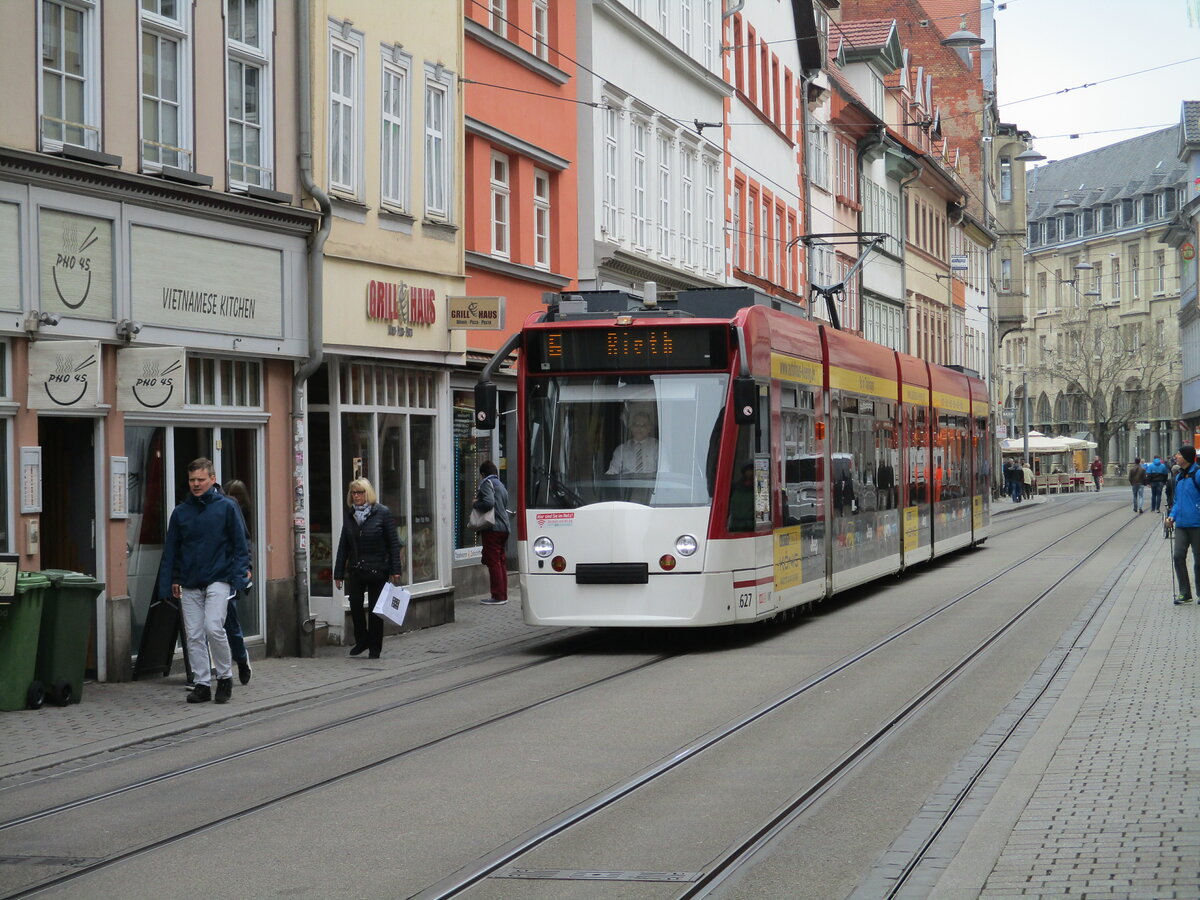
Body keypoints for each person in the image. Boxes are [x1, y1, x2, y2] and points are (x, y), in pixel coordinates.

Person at [159, 458, 250, 704]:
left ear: (212, 479)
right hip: (189, 580)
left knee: (213, 627)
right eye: (192, 480)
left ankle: (224, 676)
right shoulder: (180, 512)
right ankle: (201, 683)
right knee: (194, 635)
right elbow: (172, 550)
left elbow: (241, 545)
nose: (196, 484)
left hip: (219, 578)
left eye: (201, 479)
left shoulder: (227, 507)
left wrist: (239, 576)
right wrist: (171, 581)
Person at [333, 478, 402, 658]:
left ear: (367, 493)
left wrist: (395, 570)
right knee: (355, 604)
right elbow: (343, 546)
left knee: (375, 610)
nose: (356, 496)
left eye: (360, 492)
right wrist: (338, 573)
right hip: (357, 569)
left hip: (378, 569)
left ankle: (375, 647)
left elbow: (393, 544)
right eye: (354, 493)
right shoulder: (350, 516)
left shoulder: (382, 513)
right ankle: (362, 639)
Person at [221, 478, 254, 685]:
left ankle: (241, 657)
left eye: (239, 495)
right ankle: (203, 674)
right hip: (208, 576)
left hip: (229, 574)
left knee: (230, 621)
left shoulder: (235, 510)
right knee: (208, 627)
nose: (235, 498)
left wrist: (245, 568)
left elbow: (244, 542)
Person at [1166, 446, 1200, 605]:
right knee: (1178, 556)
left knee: (1199, 560)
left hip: (1197, 524)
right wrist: (1171, 516)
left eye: (1178, 454)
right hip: (1181, 525)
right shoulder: (1178, 477)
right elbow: (1177, 501)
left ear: (1186, 457)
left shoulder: (1198, 474)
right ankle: (1185, 593)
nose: (1176, 456)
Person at [475, 461, 511, 605]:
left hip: (493, 528)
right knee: (501, 561)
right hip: (504, 528)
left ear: (483, 474)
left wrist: (476, 503)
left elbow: (489, 502)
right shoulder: (501, 485)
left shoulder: (486, 483)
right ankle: (503, 594)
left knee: (493, 562)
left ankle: (497, 596)